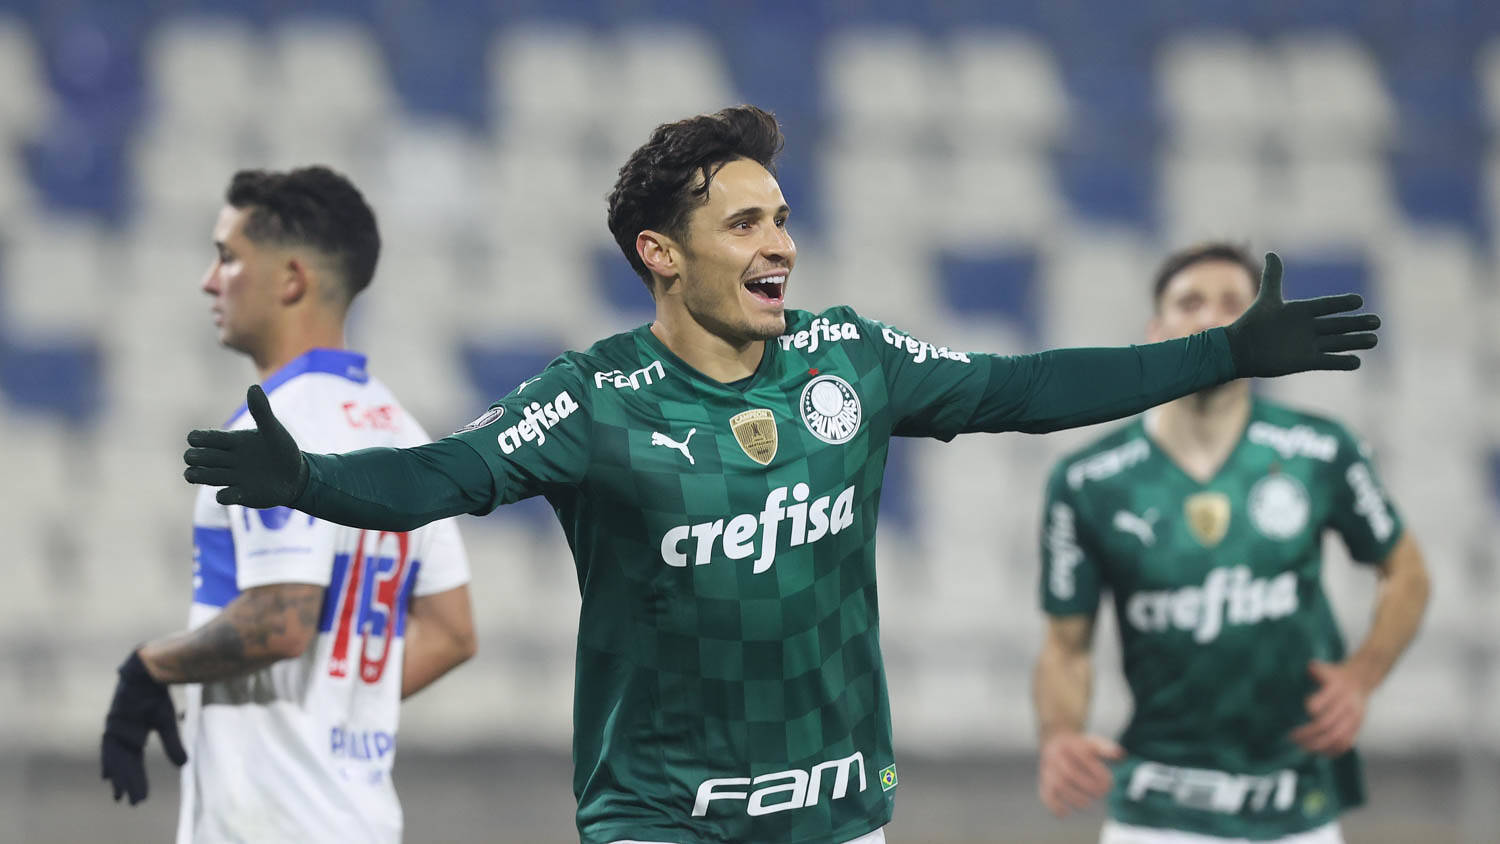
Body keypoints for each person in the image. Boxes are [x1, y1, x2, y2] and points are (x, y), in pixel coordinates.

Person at [181, 107, 1380, 844]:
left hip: (834, 808)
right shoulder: (594, 399)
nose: (781, 245)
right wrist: (310, 477)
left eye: (782, 216)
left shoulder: (846, 358)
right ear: (662, 255)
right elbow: (440, 475)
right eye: (746, 224)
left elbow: (1027, 390)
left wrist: (1222, 352)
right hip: (660, 819)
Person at [101, 166, 477, 844]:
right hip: (359, 817)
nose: (209, 280)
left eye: (227, 257)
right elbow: (452, 632)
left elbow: (281, 621)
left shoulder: (274, 435)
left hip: (270, 824)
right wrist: (337, 714)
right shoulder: (403, 432)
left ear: (292, 279)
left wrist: (152, 665)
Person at [1032, 242, 1430, 844]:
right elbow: (1067, 646)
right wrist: (1060, 733)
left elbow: (1406, 572)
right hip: (1157, 811)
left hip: (1296, 804)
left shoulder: (1319, 451)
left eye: (1232, 304)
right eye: (1190, 302)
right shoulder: (1091, 480)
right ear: (1155, 329)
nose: (1211, 317)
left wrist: (1362, 677)